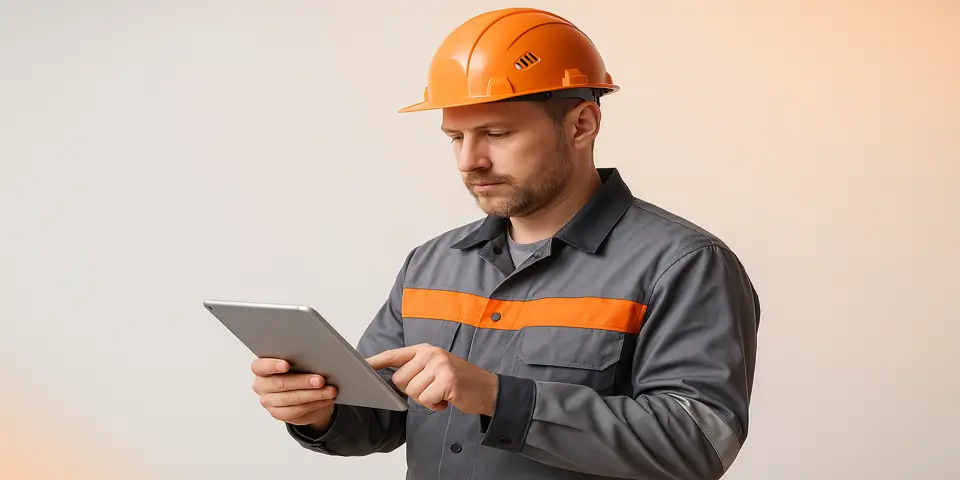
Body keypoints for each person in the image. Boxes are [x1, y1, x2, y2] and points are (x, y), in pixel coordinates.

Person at [249, 7, 760, 480]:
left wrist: (497, 396)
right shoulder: (432, 265)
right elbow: (383, 416)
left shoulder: (682, 265)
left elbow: (700, 442)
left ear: (582, 124)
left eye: (495, 133)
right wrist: (321, 411)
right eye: (456, 137)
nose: (469, 161)